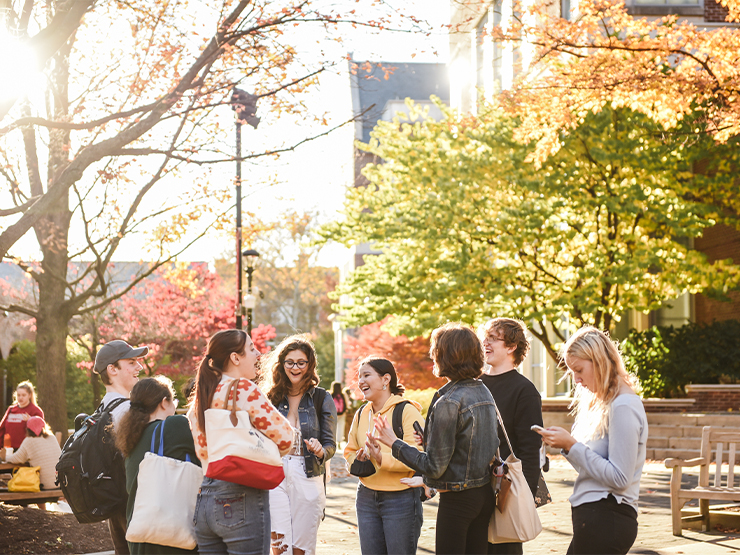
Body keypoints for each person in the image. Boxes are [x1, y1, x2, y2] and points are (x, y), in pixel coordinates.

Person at [370, 323, 498, 555]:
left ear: (446, 356)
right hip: (483, 494)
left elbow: (434, 467)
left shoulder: (449, 401)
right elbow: (472, 444)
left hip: (458, 501)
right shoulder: (483, 391)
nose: (431, 355)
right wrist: (431, 440)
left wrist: (394, 443)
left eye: (435, 350)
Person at [535, 326, 648, 555]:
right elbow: (590, 468)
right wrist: (565, 446)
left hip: (608, 517)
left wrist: (572, 445)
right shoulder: (604, 404)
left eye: (579, 370)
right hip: (595, 519)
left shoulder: (623, 405)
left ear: (598, 360)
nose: (576, 380)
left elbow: (620, 478)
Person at [188, 329, 294, 555]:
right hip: (241, 496)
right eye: (252, 348)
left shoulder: (200, 399)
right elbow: (286, 437)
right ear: (235, 358)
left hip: (206, 498)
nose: (259, 355)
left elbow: (203, 451)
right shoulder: (242, 389)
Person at [261, 334, 337, 555]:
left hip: (309, 473)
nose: (295, 367)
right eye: (290, 362)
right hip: (275, 472)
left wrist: (321, 450)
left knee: (301, 547)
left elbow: (330, 444)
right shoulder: (270, 397)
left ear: (309, 365)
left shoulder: (322, 398)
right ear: (281, 364)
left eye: (301, 362)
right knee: (280, 545)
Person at [344, 356, 426, 555]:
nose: (360, 381)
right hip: (366, 497)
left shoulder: (407, 411)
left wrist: (382, 458)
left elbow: (420, 457)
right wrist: (359, 459)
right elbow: (349, 451)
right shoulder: (362, 413)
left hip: (402, 498)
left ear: (385, 379)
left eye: (367, 375)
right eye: (359, 376)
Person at [479, 318, 543, 555]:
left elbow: (530, 448)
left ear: (511, 346)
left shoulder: (524, 390)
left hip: (504, 490)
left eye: (493, 338)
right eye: (485, 337)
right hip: (474, 491)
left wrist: (523, 495)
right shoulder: (476, 384)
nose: (485, 343)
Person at [115, 376, 199, 555]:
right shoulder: (174, 426)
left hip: (140, 536)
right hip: (172, 536)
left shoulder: (131, 438)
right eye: (173, 401)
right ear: (164, 402)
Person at [94, 339, 150, 555]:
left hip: (115, 500)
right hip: (133, 500)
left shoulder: (104, 406)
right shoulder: (127, 410)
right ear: (112, 369)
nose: (140, 367)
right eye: (132, 362)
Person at [1, 416, 61, 508]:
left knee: (31, 480)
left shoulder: (29, 441)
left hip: (45, 486)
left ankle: (37, 512)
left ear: (28, 429)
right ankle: (43, 513)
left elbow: (17, 459)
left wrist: (4, 457)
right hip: (60, 483)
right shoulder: (52, 438)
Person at [0, 381, 44, 450]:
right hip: (8, 449)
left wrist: (31, 421)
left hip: (26, 450)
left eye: (23, 395)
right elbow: (1, 429)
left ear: (29, 395)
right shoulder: (11, 409)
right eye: (18, 395)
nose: (20, 398)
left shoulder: (36, 411)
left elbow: (40, 433)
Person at [330, 381, 349, 446]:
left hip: (333, 413)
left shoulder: (331, 394)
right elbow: (347, 403)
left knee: (332, 427)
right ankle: (339, 441)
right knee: (341, 427)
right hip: (342, 414)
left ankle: (332, 440)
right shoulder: (343, 394)